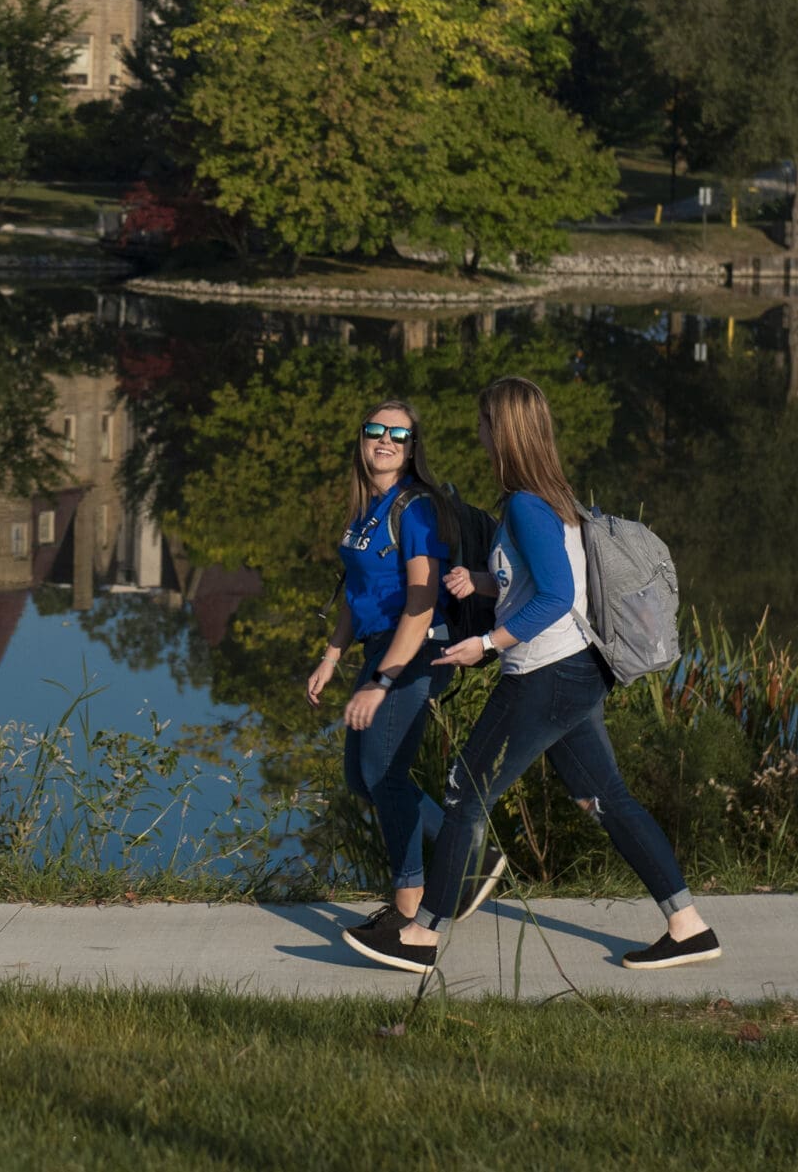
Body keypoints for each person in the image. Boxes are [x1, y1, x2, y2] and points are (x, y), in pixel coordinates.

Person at [343, 376, 722, 976]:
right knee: (607, 799)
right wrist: (486, 583)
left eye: (484, 421)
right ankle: (688, 925)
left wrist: (487, 642)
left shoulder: (524, 504)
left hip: (547, 673)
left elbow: (556, 595)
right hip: (576, 671)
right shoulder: (548, 497)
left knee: (464, 791)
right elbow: (538, 585)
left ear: (503, 430)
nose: (478, 431)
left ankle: (421, 934)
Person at [306, 400, 461, 955]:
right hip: (379, 647)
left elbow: (420, 603)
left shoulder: (415, 508)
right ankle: (466, 853)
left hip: (415, 647)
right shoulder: (368, 508)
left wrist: (382, 679)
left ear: (413, 447)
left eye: (400, 433)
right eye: (376, 430)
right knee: (360, 776)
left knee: (385, 774)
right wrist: (331, 656)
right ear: (362, 439)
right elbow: (355, 593)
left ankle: (408, 909)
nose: (386, 440)